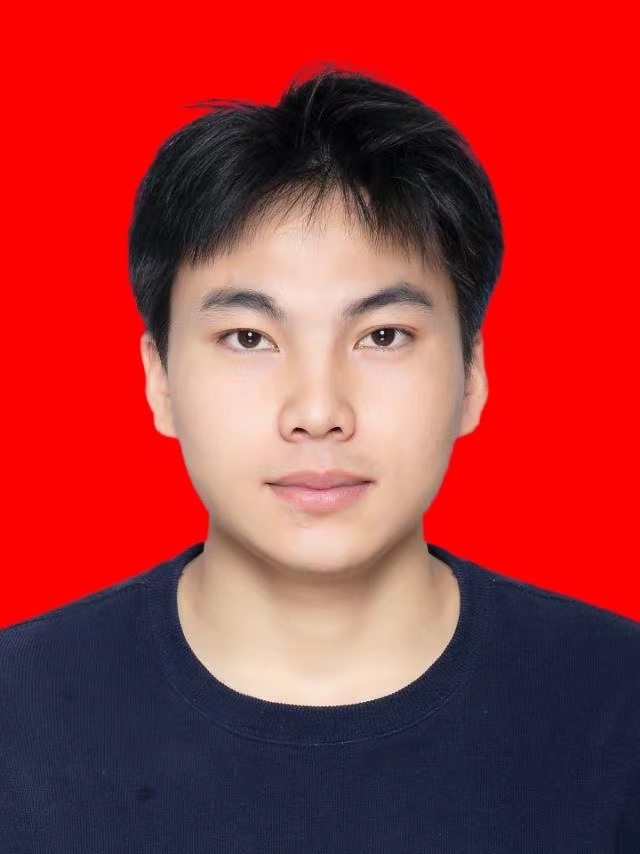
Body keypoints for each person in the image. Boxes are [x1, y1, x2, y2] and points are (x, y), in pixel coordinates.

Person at [1, 67, 638, 852]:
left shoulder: (619, 707)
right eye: (248, 338)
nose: (317, 411)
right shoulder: (17, 717)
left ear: (472, 375)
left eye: (383, 336)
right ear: (159, 380)